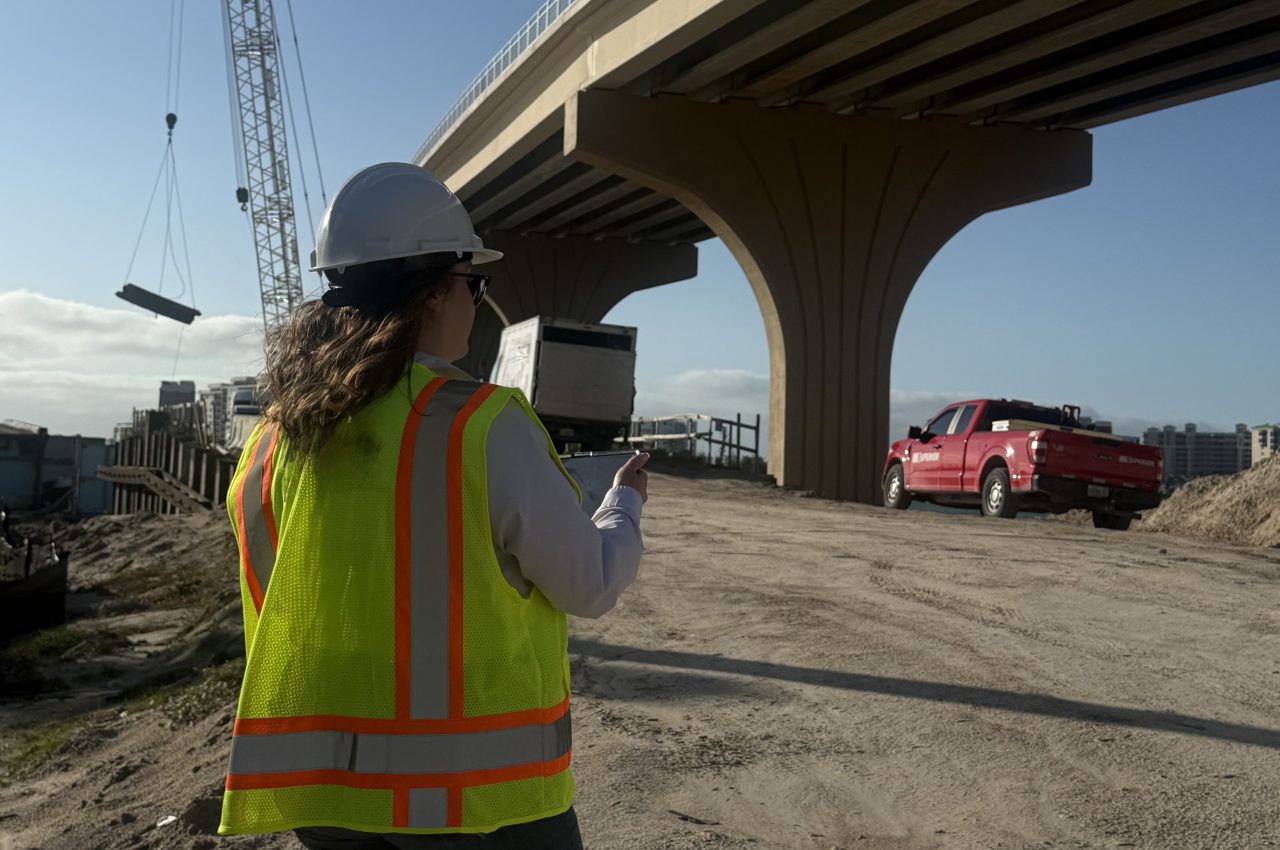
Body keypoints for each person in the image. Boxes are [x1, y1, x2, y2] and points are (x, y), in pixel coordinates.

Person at [216, 162, 649, 849]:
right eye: (475, 285)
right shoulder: (481, 426)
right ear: (434, 295)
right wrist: (622, 506)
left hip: (324, 792)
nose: (477, 305)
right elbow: (589, 583)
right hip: (476, 802)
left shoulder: (271, 443)